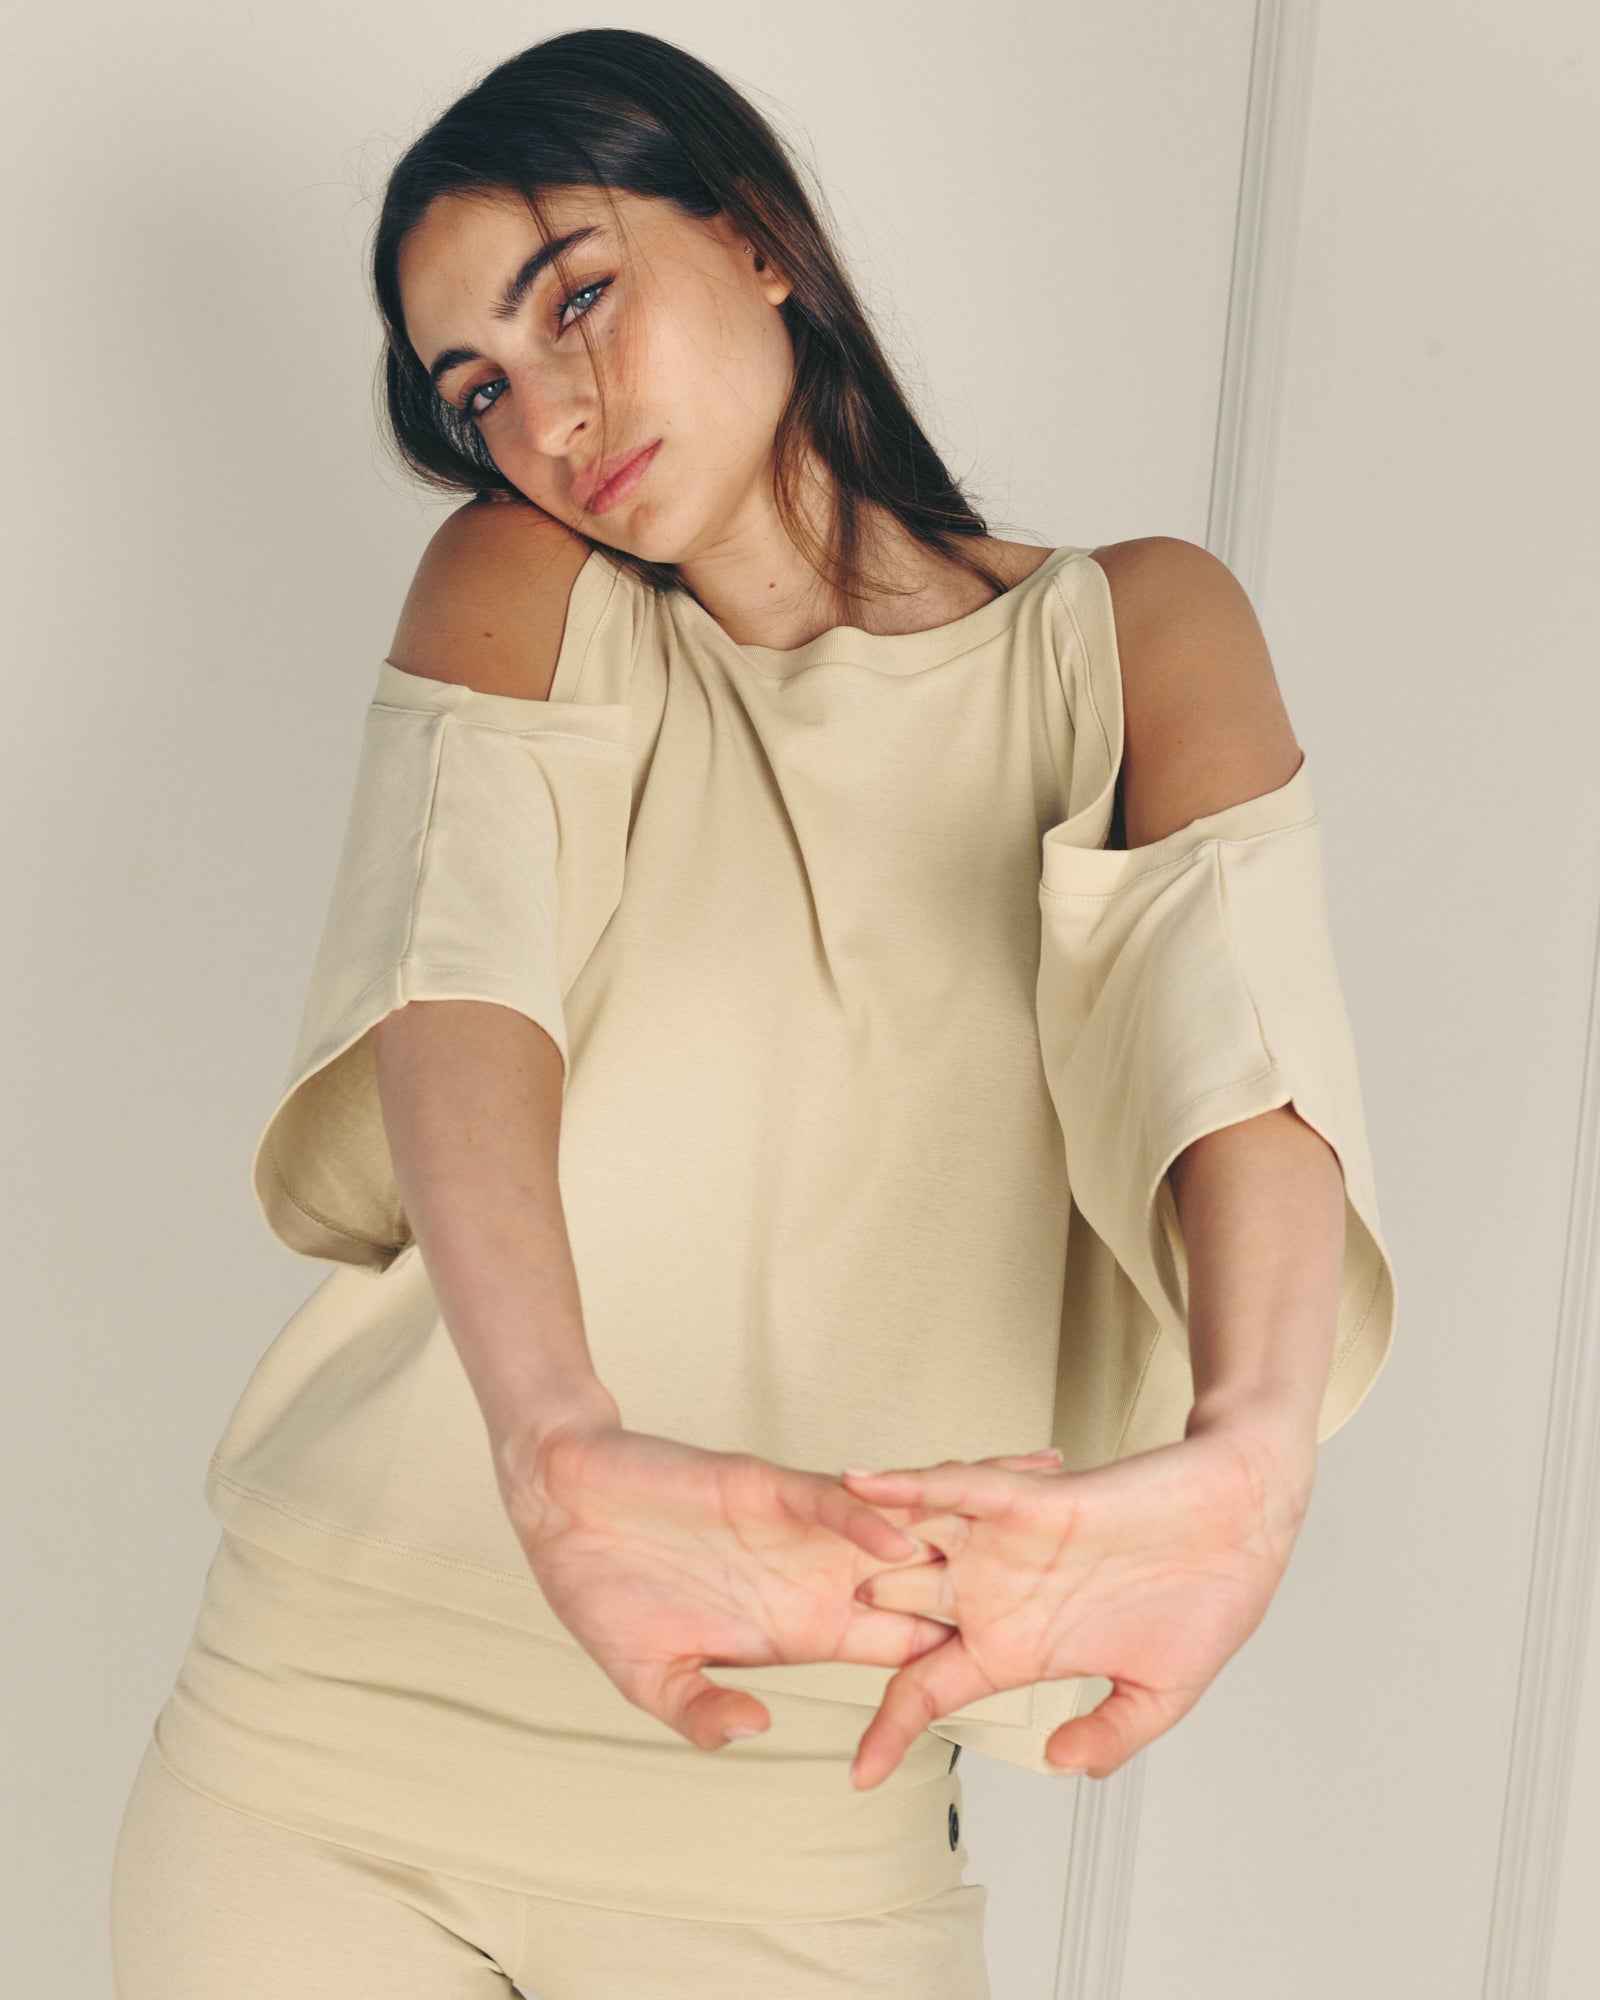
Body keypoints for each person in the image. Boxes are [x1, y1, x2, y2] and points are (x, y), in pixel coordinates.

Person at [108, 25, 1398, 2000]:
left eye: (574, 297)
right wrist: (555, 1439)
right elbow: (461, 987)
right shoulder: (518, 586)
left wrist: (1250, 1446)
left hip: (810, 1820)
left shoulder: (1139, 637)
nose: (548, 415)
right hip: (332, 1747)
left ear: (757, 239)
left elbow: (1237, 1047)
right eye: (479, 387)